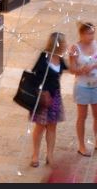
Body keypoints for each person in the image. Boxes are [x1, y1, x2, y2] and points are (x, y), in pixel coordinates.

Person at [69, 22, 97, 157]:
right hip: (82, 87)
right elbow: (72, 69)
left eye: (93, 33)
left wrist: (94, 66)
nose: (91, 36)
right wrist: (81, 70)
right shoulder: (75, 48)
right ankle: (81, 145)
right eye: (89, 33)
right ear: (82, 34)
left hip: (95, 86)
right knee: (82, 116)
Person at [30, 32, 68, 168]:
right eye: (63, 43)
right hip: (42, 96)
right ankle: (35, 154)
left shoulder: (60, 59)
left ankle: (50, 155)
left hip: (55, 96)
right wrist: (43, 91)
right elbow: (35, 75)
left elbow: (71, 69)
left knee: (52, 126)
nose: (65, 45)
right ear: (56, 44)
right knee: (40, 127)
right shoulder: (44, 57)